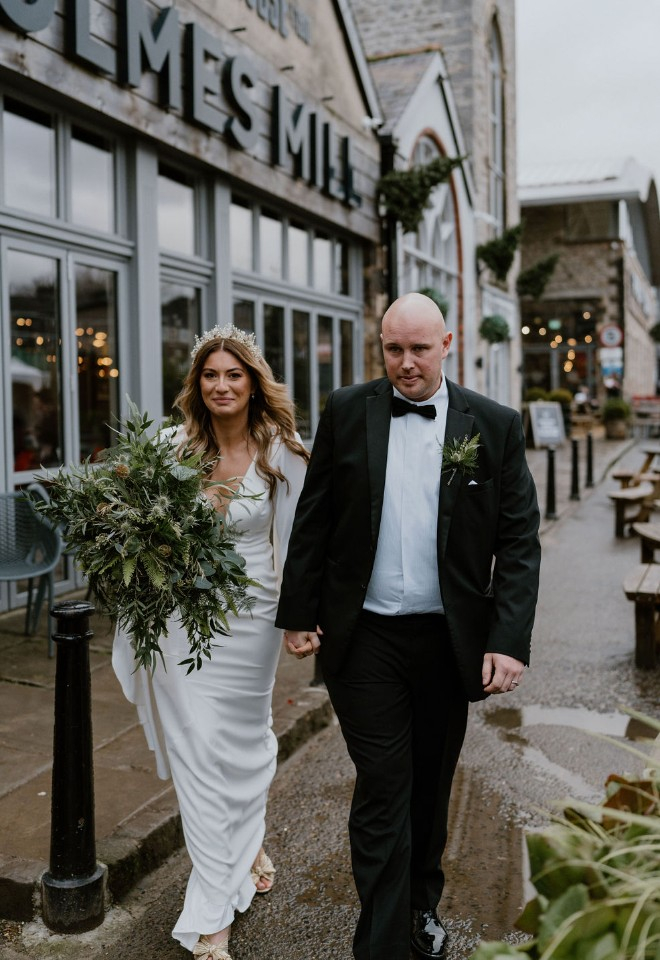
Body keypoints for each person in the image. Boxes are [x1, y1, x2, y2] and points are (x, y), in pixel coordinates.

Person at [276, 293, 541, 960]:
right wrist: (299, 613)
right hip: (363, 636)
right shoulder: (346, 410)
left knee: (428, 782)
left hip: (446, 640)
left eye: (419, 349)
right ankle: (387, 941)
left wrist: (507, 640)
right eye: (393, 349)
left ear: (447, 343)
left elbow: (518, 543)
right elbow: (316, 518)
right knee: (385, 783)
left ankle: (422, 900)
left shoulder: (496, 425)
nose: (405, 363)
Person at [112, 324, 309, 960]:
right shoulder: (172, 448)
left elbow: (300, 542)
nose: (221, 385)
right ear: (197, 385)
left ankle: (246, 839)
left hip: (253, 617)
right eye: (209, 375)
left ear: (254, 383)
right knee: (198, 748)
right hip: (181, 620)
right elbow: (144, 532)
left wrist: (304, 618)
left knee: (244, 746)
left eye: (234, 374)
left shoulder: (284, 452)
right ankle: (212, 912)